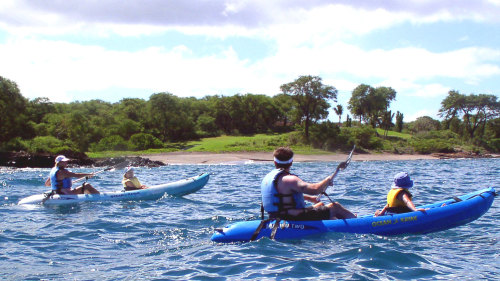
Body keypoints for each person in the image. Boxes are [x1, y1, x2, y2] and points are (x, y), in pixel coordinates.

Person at [261, 146, 356, 221]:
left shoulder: (267, 178)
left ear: (275, 162)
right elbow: (315, 189)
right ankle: (357, 222)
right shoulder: (290, 179)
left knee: (320, 205)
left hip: (276, 216)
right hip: (293, 217)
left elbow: (282, 197)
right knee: (336, 207)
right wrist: (327, 180)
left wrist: (309, 198)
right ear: (291, 163)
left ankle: (337, 224)